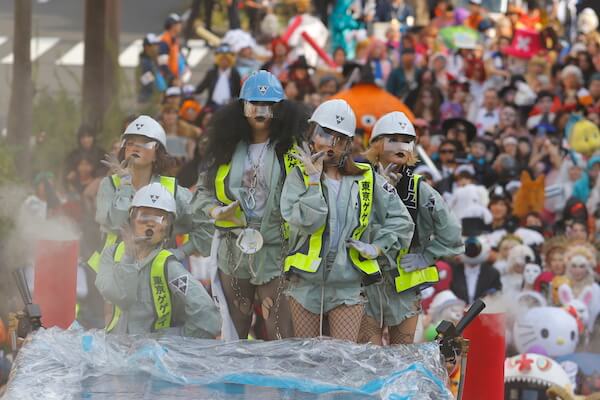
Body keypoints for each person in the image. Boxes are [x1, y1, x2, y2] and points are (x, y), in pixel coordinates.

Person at [190, 70, 309, 340]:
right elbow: (202, 193)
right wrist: (216, 211)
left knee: (280, 329)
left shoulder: (292, 151)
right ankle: (232, 382)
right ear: (241, 108)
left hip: (277, 250)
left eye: (268, 106)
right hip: (233, 248)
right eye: (254, 104)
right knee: (234, 326)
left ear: (280, 109)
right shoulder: (225, 148)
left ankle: (282, 382)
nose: (260, 111)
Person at [280, 100, 411, 342]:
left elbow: (401, 221)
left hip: (348, 285)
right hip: (305, 284)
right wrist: (312, 181)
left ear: (348, 144)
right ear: (312, 135)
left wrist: (378, 247)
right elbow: (308, 222)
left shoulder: (366, 177)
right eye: (324, 134)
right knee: (307, 360)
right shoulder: (299, 175)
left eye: (339, 139)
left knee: (343, 360)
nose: (330, 144)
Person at [360, 111, 463, 345]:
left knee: (403, 355)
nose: (401, 145)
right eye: (393, 138)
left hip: (403, 288)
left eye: (407, 140)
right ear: (377, 143)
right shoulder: (359, 182)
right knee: (368, 355)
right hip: (366, 282)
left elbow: (452, 233)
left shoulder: (419, 189)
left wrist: (426, 256)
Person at [95, 183, 221, 337]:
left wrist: (168, 339)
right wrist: (128, 256)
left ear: (168, 229)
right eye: (144, 216)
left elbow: (208, 318)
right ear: (132, 219)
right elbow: (121, 297)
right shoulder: (111, 254)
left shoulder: (169, 266)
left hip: (155, 357)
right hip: (115, 351)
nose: (150, 223)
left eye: (160, 218)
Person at [88, 115, 194, 278]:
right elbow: (116, 223)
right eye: (130, 143)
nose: (135, 148)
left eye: (144, 143)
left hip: (158, 272)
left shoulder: (172, 189)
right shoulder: (109, 185)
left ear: (157, 153)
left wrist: (180, 252)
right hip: (114, 272)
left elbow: (200, 225)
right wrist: (125, 185)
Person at [195, 44, 242, 109]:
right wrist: (192, 91)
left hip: (229, 107)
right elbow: (200, 88)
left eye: (226, 59)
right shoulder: (211, 73)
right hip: (212, 106)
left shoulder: (235, 73)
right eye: (222, 59)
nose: (224, 62)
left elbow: (239, 91)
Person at [138, 33, 166, 104]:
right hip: (149, 101)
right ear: (147, 47)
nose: (157, 47)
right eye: (154, 45)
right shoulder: (145, 64)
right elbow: (148, 85)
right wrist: (156, 97)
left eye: (157, 44)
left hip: (154, 99)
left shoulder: (152, 60)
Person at [158, 14, 184, 86]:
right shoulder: (164, 42)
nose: (181, 26)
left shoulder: (174, 40)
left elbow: (179, 57)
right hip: (168, 82)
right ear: (173, 26)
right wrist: (173, 80)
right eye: (179, 24)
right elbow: (163, 65)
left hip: (175, 79)